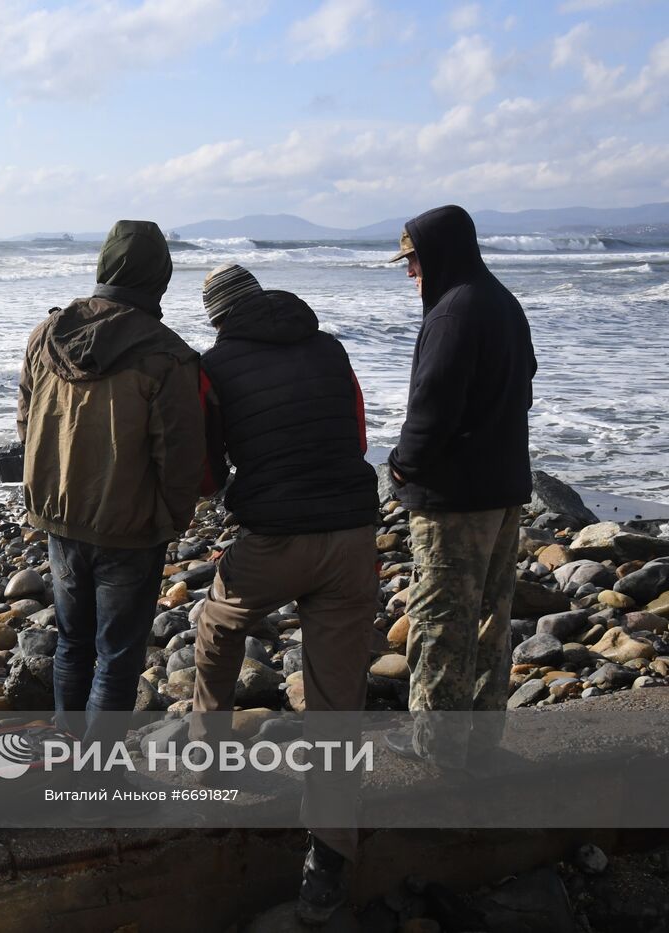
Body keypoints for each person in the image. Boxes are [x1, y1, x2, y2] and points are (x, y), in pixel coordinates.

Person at [190, 263, 378, 924]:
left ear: (216, 315)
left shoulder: (213, 367)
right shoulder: (329, 346)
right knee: (336, 696)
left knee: (216, 623)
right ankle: (326, 865)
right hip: (354, 537)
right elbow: (357, 436)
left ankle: (207, 755)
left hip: (274, 541)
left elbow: (211, 471)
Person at [16, 219, 205, 744]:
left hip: (58, 515)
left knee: (73, 642)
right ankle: (96, 781)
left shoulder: (46, 336)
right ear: (159, 277)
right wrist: (171, 517)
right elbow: (181, 454)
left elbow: (26, 421)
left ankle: (64, 760)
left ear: (105, 264)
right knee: (117, 656)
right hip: (129, 526)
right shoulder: (166, 354)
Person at [383, 205, 537, 771]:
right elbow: (526, 382)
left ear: (440, 253)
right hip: (503, 487)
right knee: (493, 619)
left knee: (442, 619)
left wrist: (402, 465)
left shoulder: (452, 313)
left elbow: (432, 407)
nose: (409, 272)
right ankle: (480, 738)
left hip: (455, 498)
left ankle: (438, 745)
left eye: (414, 259)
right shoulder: (501, 301)